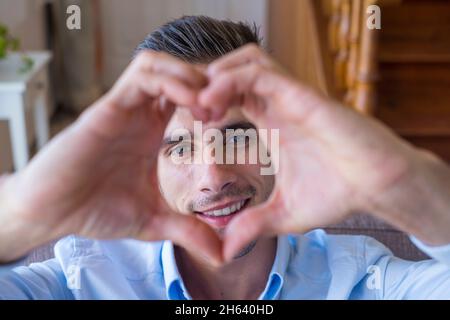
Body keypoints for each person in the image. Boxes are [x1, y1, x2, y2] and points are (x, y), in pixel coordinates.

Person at [0, 16, 449, 300]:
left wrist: (403, 178)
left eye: (237, 137)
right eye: (177, 147)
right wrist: (20, 207)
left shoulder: (358, 280)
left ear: (278, 140)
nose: (213, 178)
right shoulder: (82, 280)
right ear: (147, 166)